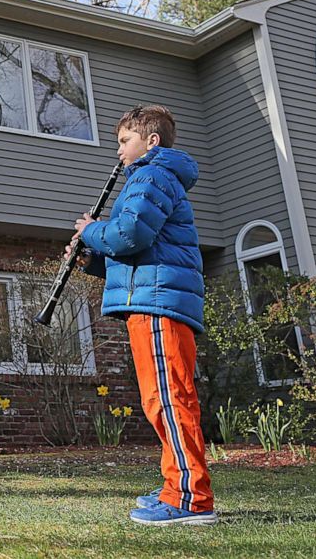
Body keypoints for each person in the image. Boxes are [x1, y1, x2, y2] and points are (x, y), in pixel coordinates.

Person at [68, 105, 217, 526]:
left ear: (151, 141)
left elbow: (130, 233)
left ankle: (190, 498)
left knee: (168, 400)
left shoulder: (151, 175)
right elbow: (140, 250)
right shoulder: (154, 178)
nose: (118, 151)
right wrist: (90, 260)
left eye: (123, 141)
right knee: (163, 401)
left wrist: (90, 230)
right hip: (153, 298)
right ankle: (177, 484)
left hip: (158, 304)